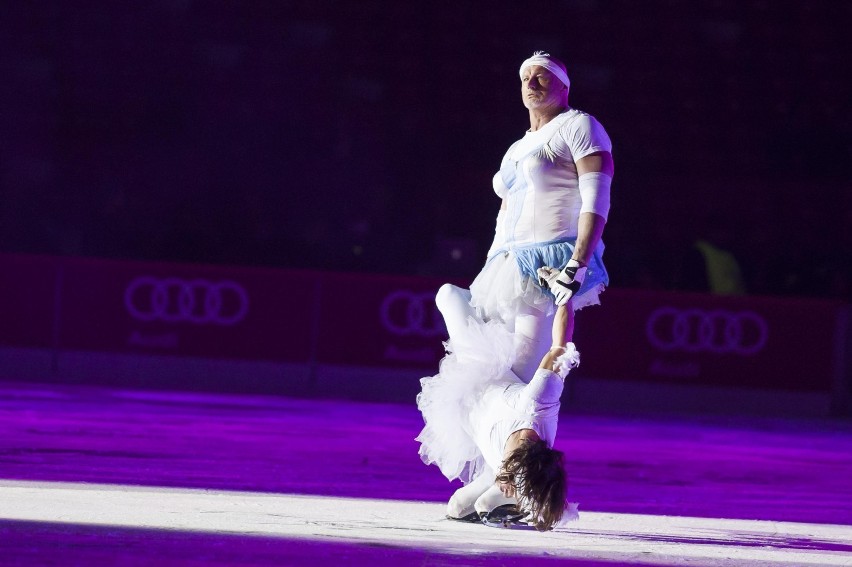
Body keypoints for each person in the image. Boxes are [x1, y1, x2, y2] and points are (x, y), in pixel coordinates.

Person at [470, 51, 614, 382]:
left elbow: (597, 200)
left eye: (541, 76)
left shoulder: (580, 125)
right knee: (490, 365)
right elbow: (504, 210)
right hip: (507, 262)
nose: (531, 83)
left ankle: (528, 431)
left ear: (563, 86)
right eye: (525, 78)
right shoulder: (517, 146)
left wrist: (577, 263)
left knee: (521, 369)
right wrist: (491, 264)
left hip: (551, 258)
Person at [416, 281, 580, 531]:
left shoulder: (511, 467)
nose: (507, 483)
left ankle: (496, 305)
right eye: (510, 481)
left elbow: (538, 490)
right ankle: (495, 298)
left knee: (459, 507)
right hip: (482, 369)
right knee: (448, 294)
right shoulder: (536, 404)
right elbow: (559, 348)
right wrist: (565, 298)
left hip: (469, 403)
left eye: (508, 483)